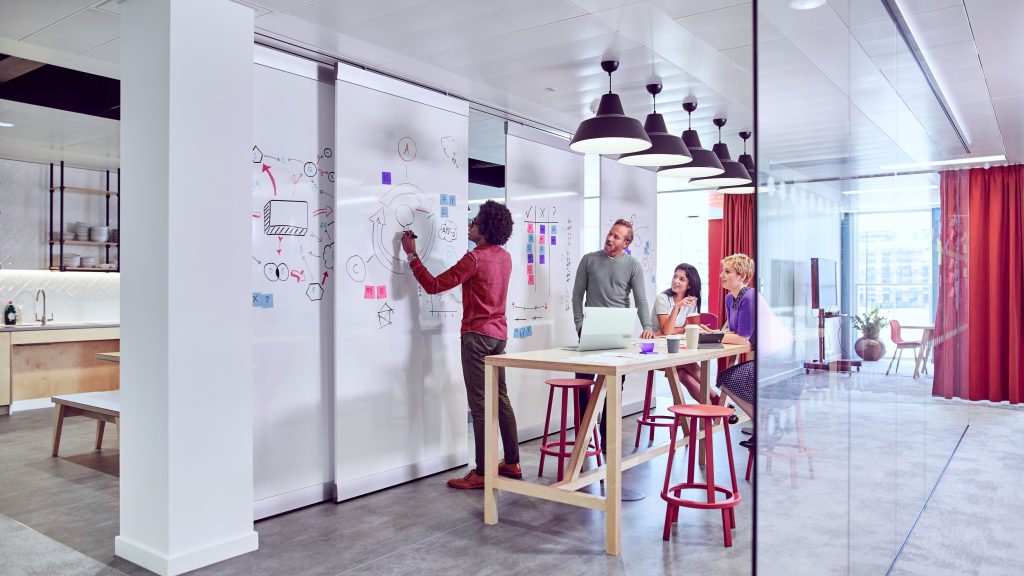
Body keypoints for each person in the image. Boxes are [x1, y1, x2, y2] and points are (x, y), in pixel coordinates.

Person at [400, 200, 521, 490]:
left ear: (486, 228)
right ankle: (512, 462)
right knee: (501, 399)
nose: (470, 224)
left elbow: (433, 285)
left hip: (476, 337)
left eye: (476, 222)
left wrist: (412, 256)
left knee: (479, 406)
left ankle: (481, 472)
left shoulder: (474, 259)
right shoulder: (505, 258)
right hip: (498, 336)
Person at [571, 219, 656, 451]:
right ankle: (583, 436)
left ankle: (607, 436)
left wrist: (647, 326)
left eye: (617, 236)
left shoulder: (633, 265)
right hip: (590, 331)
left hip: (619, 332)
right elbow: (577, 295)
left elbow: (640, 300)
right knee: (582, 383)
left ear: (626, 243)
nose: (610, 238)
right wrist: (579, 325)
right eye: (610, 234)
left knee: (613, 385)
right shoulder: (589, 260)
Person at [653, 263, 721, 404]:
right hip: (658, 351)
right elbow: (667, 331)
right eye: (675, 276)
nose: (676, 281)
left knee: (683, 375)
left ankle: (711, 409)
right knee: (688, 363)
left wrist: (674, 330)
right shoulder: (663, 299)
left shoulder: (691, 301)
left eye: (682, 279)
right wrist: (677, 307)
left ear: (689, 285)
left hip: (675, 349)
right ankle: (716, 398)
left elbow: (690, 327)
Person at [715, 253, 757, 446]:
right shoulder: (730, 298)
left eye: (727, 271)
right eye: (723, 270)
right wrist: (717, 334)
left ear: (741, 276)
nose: (722, 275)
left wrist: (713, 337)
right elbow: (733, 330)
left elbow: (742, 338)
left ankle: (760, 423)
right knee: (725, 378)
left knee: (726, 379)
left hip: (771, 360)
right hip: (757, 355)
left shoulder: (749, 297)